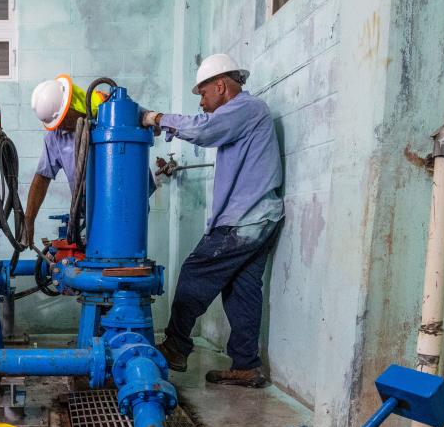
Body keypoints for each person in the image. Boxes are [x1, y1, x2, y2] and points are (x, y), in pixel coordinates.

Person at [140, 53, 284, 388]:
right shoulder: (247, 115)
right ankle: (247, 365)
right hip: (260, 218)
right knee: (242, 289)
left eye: (203, 94)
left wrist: (154, 117)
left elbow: (204, 130)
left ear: (221, 85)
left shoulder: (246, 108)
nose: (203, 103)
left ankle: (176, 347)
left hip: (245, 221)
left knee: (194, 272)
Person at [23, 74, 108, 247]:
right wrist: (29, 220)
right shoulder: (55, 137)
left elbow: (150, 122)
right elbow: (42, 177)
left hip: (123, 204)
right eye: (55, 123)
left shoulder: (106, 115)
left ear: (70, 106)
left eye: (61, 120)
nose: (60, 126)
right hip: (90, 211)